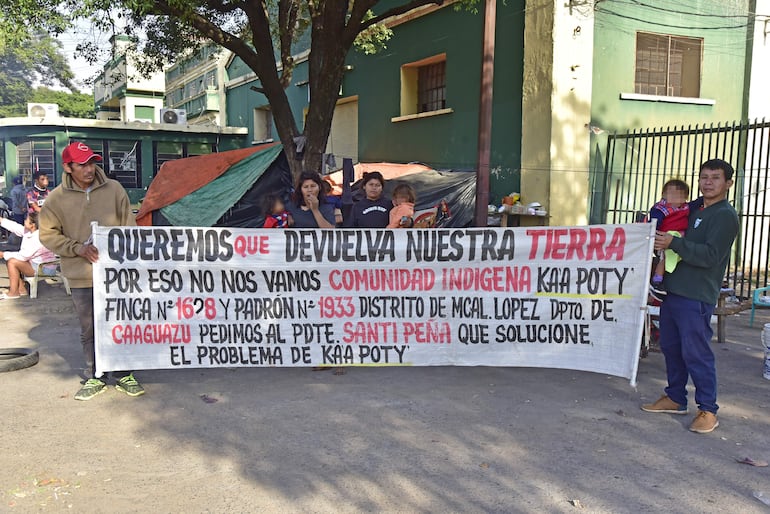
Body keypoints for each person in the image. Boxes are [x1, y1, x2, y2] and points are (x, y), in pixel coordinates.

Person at [39, 141, 144, 401]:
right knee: (90, 328)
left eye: (92, 162)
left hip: (116, 274)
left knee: (122, 322)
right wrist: (76, 248)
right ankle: (95, 375)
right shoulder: (55, 199)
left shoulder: (115, 189)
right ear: (68, 167)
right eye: (82, 164)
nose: (89, 169)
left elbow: (129, 226)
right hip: (81, 274)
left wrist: (127, 258)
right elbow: (48, 235)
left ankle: (123, 374)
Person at [641, 158, 739, 434]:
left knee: (696, 352)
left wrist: (675, 243)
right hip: (673, 290)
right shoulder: (693, 208)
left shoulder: (724, 215)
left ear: (728, 183)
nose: (708, 183)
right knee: (671, 346)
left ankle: (708, 409)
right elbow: (668, 211)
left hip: (696, 293)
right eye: (704, 177)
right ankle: (675, 397)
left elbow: (710, 256)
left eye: (715, 178)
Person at [648, 179, 691, 299]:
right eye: (670, 194)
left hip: (679, 238)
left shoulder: (685, 207)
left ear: (685, 198)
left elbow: (697, 203)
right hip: (663, 238)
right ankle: (657, 281)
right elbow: (654, 223)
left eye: (678, 196)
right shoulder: (660, 209)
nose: (673, 198)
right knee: (664, 259)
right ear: (663, 195)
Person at [0, 212, 56, 299]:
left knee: (12, 262)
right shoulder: (30, 231)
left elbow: (23, 256)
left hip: (44, 268)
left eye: (26, 220)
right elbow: (15, 227)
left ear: (32, 225)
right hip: (35, 264)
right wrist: (1, 220)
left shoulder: (38, 238)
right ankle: (21, 290)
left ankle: (13, 292)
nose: (24, 220)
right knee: (11, 260)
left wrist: (3, 254)